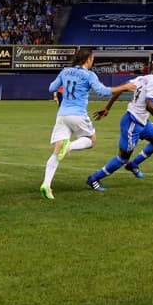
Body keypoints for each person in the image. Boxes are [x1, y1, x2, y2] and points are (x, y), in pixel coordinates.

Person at [86, 58, 153, 191]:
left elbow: (121, 89)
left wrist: (108, 107)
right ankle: (94, 179)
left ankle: (134, 164)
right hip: (132, 123)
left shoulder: (143, 78)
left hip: (142, 121)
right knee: (122, 158)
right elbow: (149, 106)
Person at [40, 48, 113, 200]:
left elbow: (51, 88)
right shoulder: (89, 74)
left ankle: (46, 184)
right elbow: (103, 91)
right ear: (87, 59)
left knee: (57, 152)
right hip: (78, 114)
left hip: (62, 114)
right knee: (91, 141)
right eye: (92, 59)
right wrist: (122, 88)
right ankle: (70, 146)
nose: (92, 61)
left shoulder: (65, 71)